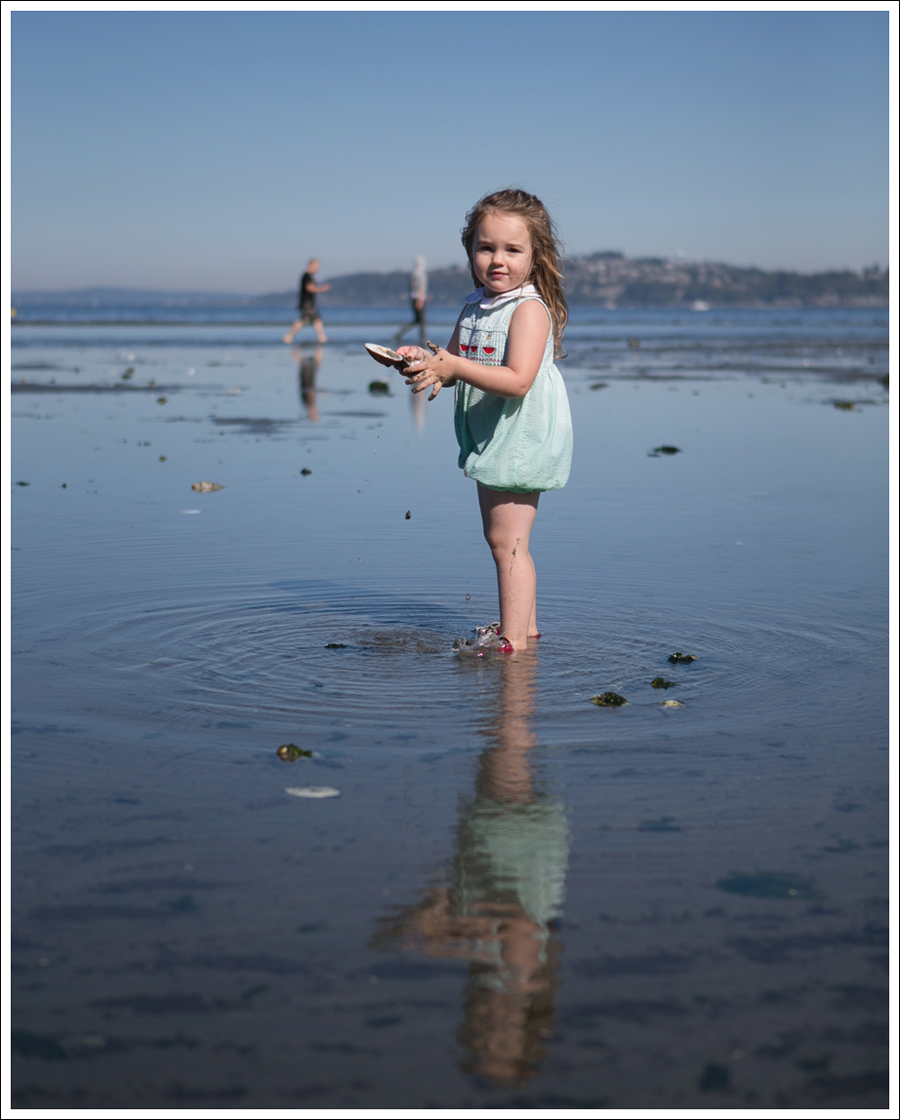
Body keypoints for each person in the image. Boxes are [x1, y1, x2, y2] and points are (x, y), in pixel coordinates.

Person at [398, 189, 573, 652]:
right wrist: (425, 360)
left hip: (521, 435)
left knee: (507, 543)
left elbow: (517, 380)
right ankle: (525, 630)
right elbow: (454, 361)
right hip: (493, 434)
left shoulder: (528, 310)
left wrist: (453, 367)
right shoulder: (475, 305)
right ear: (470, 248)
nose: (498, 260)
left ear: (536, 257)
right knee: (505, 539)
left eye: (513, 250)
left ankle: (511, 641)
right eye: (486, 247)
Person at [283, 258, 330, 344]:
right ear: (312, 266)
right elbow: (310, 288)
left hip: (309, 303)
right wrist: (322, 289)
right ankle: (288, 336)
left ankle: (322, 338)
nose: (317, 269)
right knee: (307, 320)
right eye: (316, 266)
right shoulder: (306, 276)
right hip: (307, 303)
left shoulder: (309, 276)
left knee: (313, 320)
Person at [393, 255, 429, 347]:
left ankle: (401, 334)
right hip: (418, 298)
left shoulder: (414, 273)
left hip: (414, 298)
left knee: (418, 320)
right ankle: (422, 339)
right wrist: (420, 299)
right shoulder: (420, 273)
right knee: (421, 321)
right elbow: (420, 287)